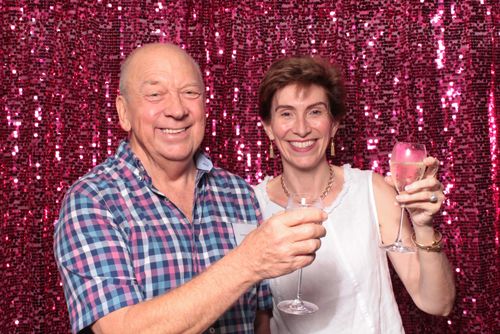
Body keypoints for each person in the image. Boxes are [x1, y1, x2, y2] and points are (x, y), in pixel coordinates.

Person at [53, 43, 327, 334]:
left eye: (190, 93)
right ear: (124, 112)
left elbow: (260, 317)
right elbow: (120, 328)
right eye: (155, 94)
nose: (177, 109)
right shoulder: (92, 200)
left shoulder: (238, 194)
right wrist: (248, 262)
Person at [252, 55, 456, 333]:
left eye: (314, 111)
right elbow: (257, 319)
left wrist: (424, 226)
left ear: (334, 124)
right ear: (268, 128)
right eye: (286, 113)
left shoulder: (372, 191)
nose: (301, 128)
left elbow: (437, 304)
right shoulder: (249, 203)